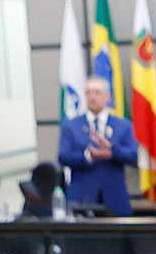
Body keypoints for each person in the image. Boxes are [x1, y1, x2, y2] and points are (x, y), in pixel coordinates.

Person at [56, 76, 139, 216]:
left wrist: (112, 151)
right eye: (88, 92)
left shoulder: (123, 125)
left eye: (97, 92)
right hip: (81, 198)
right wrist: (88, 156)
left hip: (115, 198)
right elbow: (63, 157)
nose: (92, 97)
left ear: (108, 97)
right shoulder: (71, 126)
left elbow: (133, 156)